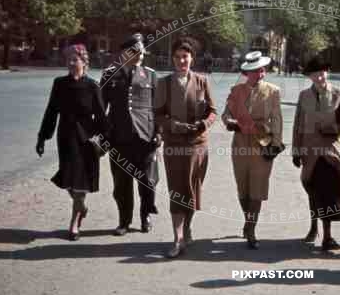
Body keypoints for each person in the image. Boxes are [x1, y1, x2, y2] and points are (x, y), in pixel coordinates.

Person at [36, 44, 108, 241]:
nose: (70, 63)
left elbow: (101, 116)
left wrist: (104, 142)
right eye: (68, 59)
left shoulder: (92, 86)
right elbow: (51, 111)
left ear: (84, 62)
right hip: (66, 137)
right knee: (68, 179)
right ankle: (82, 207)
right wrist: (42, 137)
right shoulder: (59, 83)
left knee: (80, 181)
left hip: (86, 139)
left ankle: (75, 222)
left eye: (74, 59)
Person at [292, 55, 340, 250]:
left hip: (331, 152)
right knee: (312, 190)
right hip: (309, 151)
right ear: (310, 77)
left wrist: (336, 127)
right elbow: (298, 124)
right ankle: (314, 226)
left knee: (329, 191)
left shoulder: (338, 93)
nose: (319, 77)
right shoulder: (304, 96)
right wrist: (296, 151)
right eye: (315, 74)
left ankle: (327, 236)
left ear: (327, 73)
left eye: (322, 72)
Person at [155, 37, 217, 258]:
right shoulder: (163, 83)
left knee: (192, 190)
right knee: (176, 191)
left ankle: (188, 227)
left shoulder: (202, 81)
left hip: (197, 145)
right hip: (174, 146)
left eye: (185, 56)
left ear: (192, 59)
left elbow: (213, 111)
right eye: (178, 57)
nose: (182, 60)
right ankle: (178, 238)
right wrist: (172, 125)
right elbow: (158, 114)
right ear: (173, 59)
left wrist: (203, 124)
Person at [222, 51, 284, 249]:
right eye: (256, 71)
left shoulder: (273, 91)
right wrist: (231, 122)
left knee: (257, 190)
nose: (261, 73)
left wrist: (275, 144)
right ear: (247, 73)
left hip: (262, 145)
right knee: (243, 190)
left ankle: (251, 229)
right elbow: (225, 115)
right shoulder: (236, 90)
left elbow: (277, 120)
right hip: (240, 144)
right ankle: (248, 221)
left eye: (262, 70)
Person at [100, 33, 160, 236]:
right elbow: (101, 108)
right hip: (119, 138)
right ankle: (124, 221)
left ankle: (145, 216)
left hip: (145, 138)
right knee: (121, 184)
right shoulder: (110, 74)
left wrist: (158, 133)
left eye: (142, 51)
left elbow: (158, 108)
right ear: (124, 53)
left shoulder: (150, 74)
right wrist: (102, 135)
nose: (140, 54)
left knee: (148, 182)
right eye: (135, 51)